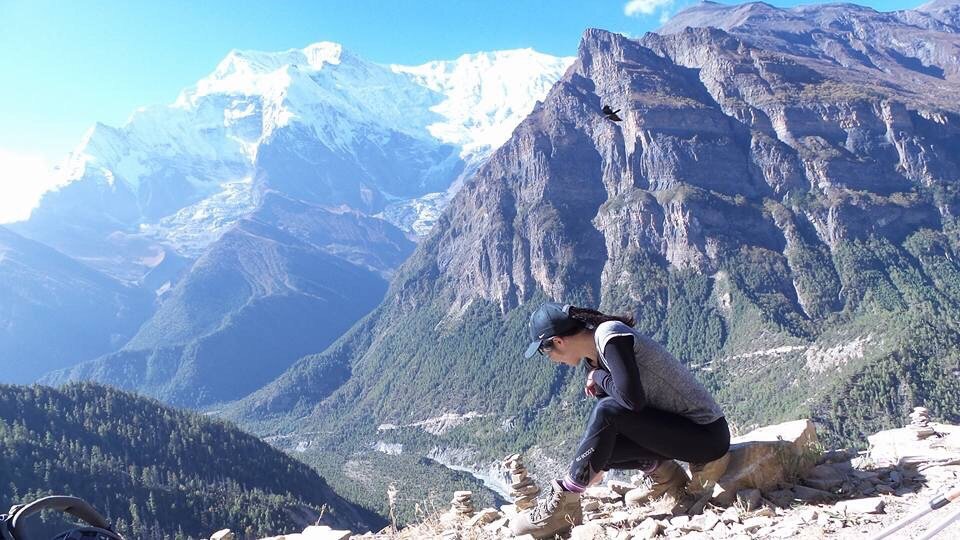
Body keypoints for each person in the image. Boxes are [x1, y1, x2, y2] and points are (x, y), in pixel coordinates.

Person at [510, 302, 731, 538]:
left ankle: (565, 499)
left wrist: (597, 376)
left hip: (707, 435)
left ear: (558, 341)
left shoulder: (610, 335)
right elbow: (622, 422)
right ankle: (664, 473)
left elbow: (630, 400)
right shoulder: (592, 359)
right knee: (603, 447)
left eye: (545, 352)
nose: (551, 358)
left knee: (606, 411)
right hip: (680, 433)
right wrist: (595, 462)